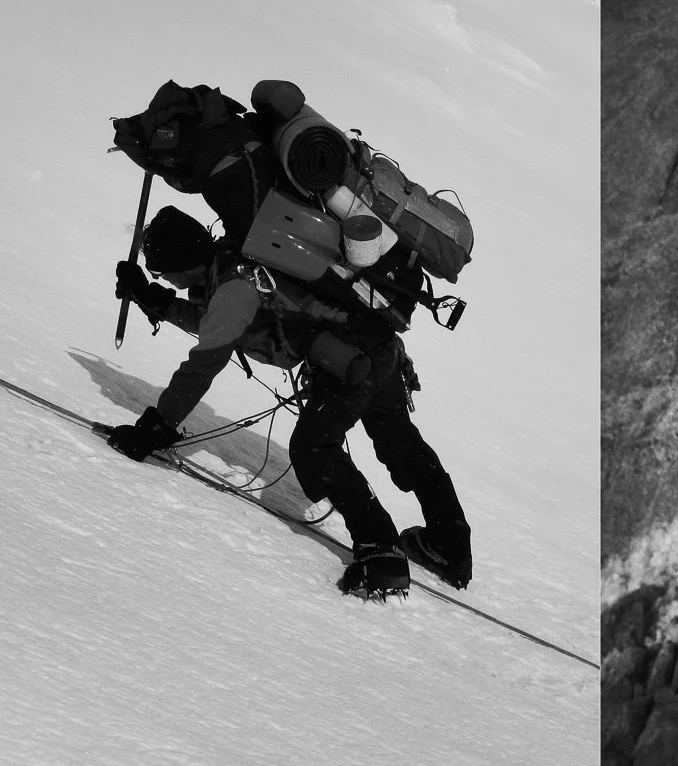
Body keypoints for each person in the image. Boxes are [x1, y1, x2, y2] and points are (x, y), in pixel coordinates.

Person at [109, 205, 473, 598]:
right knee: (399, 442)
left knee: (314, 446)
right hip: (377, 343)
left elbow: (204, 362)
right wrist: (153, 298)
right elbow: (216, 323)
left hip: (351, 356)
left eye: (163, 273)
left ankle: (381, 552)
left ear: (183, 263)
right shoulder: (238, 261)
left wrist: (156, 429)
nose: (168, 281)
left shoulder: (235, 288)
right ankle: (450, 545)